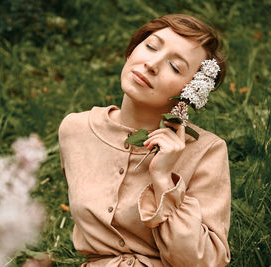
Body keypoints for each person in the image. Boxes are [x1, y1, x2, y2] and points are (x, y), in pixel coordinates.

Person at [58, 14, 231, 267]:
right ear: (131, 51)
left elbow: (204, 262)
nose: (152, 64)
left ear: (190, 93)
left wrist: (163, 180)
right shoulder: (75, 130)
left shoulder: (207, 151)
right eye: (151, 46)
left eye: (175, 67)